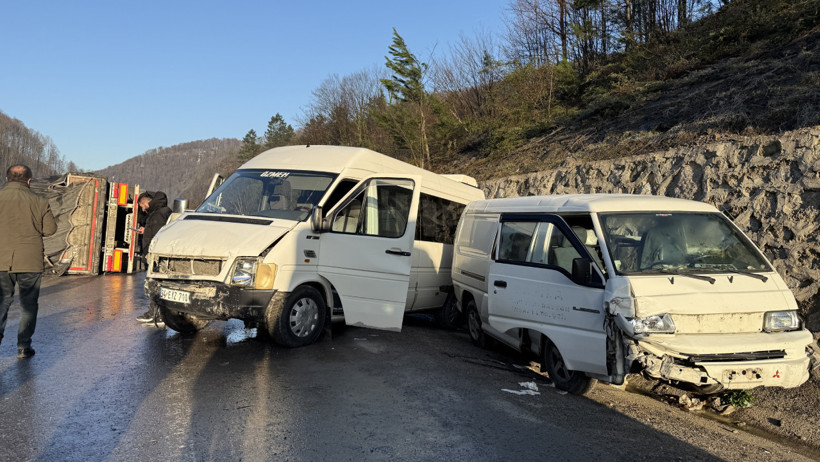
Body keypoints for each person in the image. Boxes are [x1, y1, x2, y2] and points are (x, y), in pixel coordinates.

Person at [0, 165, 57, 359]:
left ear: (7, 179)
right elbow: (50, 230)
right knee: (28, 305)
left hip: (1, 260)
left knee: (1, 303)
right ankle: (24, 346)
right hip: (29, 261)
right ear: (29, 181)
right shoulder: (40, 202)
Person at [135, 191, 172, 325]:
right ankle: (158, 315)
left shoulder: (157, 215)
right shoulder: (162, 212)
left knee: (154, 284)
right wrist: (146, 230)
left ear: (147, 202)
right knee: (157, 285)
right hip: (159, 256)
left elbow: (158, 237)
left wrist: (150, 255)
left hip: (156, 256)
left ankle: (155, 315)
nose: (143, 209)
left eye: (142, 206)